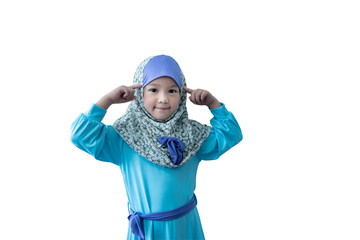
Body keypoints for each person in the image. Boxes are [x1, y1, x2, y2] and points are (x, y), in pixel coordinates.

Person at [71, 55, 243, 239]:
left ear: (182, 94)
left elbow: (231, 135)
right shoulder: (125, 136)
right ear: (140, 92)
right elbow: (80, 134)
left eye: (172, 91)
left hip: (185, 229)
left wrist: (213, 104)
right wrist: (107, 100)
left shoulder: (193, 135)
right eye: (153, 90)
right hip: (147, 231)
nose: (163, 99)